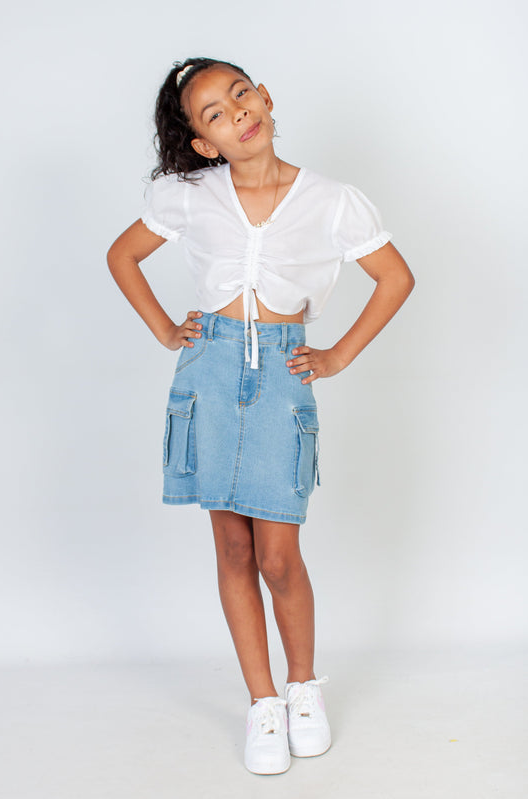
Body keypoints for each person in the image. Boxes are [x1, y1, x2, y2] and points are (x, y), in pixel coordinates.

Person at [106, 56, 415, 775]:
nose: (236, 112)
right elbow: (123, 255)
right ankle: (262, 701)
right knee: (234, 551)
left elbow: (395, 277)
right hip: (209, 372)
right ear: (204, 142)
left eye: (240, 94)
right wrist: (167, 330)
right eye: (213, 113)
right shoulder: (188, 196)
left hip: (280, 373)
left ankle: (302, 688)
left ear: (265, 98)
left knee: (278, 556)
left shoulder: (332, 200)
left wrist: (335, 356)